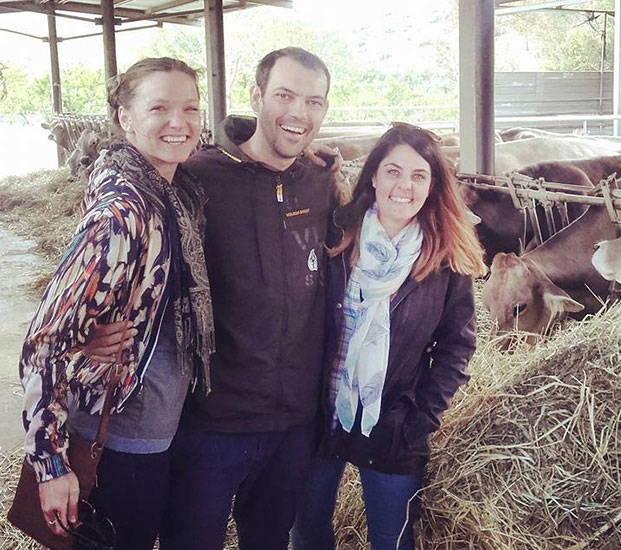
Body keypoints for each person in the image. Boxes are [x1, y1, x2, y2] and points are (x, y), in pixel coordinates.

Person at [18, 57, 213, 550]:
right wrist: (51, 463)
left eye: (190, 107)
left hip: (166, 422)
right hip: (123, 434)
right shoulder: (123, 214)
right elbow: (43, 343)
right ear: (126, 118)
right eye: (160, 108)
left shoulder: (176, 192)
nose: (180, 121)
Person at [156, 47, 338, 550]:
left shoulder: (322, 181)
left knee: (269, 538)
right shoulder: (197, 177)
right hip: (213, 420)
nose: (298, 113)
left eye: (313, 101)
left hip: (293, 422)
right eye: (284, 95)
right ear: (256, 96)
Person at [291, 123, 487, 550]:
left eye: (419, 175)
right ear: (374, 175)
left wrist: (420, 417)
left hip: (394, 421)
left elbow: (458, 346)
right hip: (319, 412)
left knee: (392, 540)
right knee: (307, 533)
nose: (405, 186)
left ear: (433, 186)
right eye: (393, 171)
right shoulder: (336, 234)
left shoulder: (445, 256)